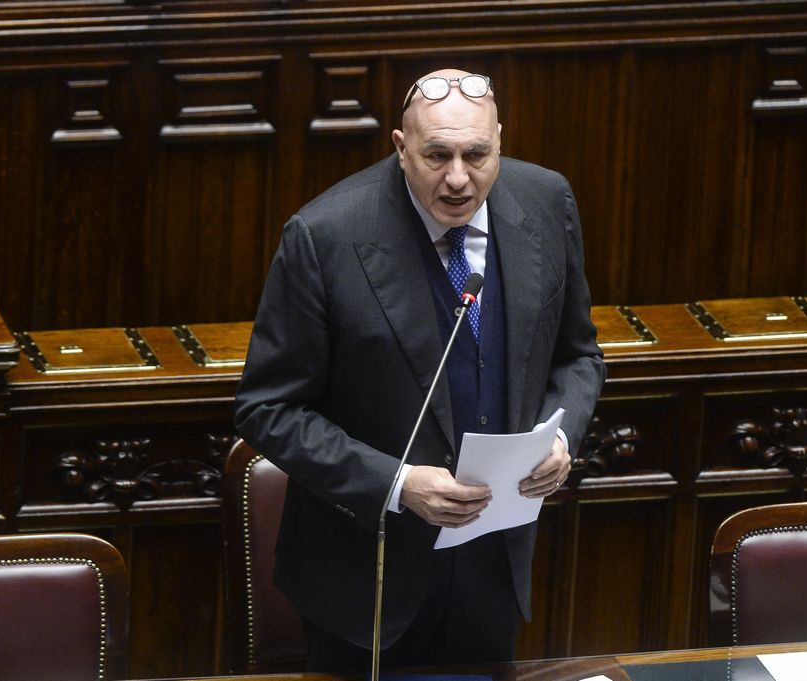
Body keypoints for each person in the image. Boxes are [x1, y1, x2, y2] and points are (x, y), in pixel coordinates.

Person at [234, 68, 605, 671]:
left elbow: (577, 355)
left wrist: (559, 438)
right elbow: (268, 409)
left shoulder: (546, 201)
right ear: (401, 148)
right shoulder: (325, 236)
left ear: (499, 142)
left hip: (493, 565)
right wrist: (398, 484)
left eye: (476, 155)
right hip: (365, 577)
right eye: (437, 156)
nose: (458, 178)